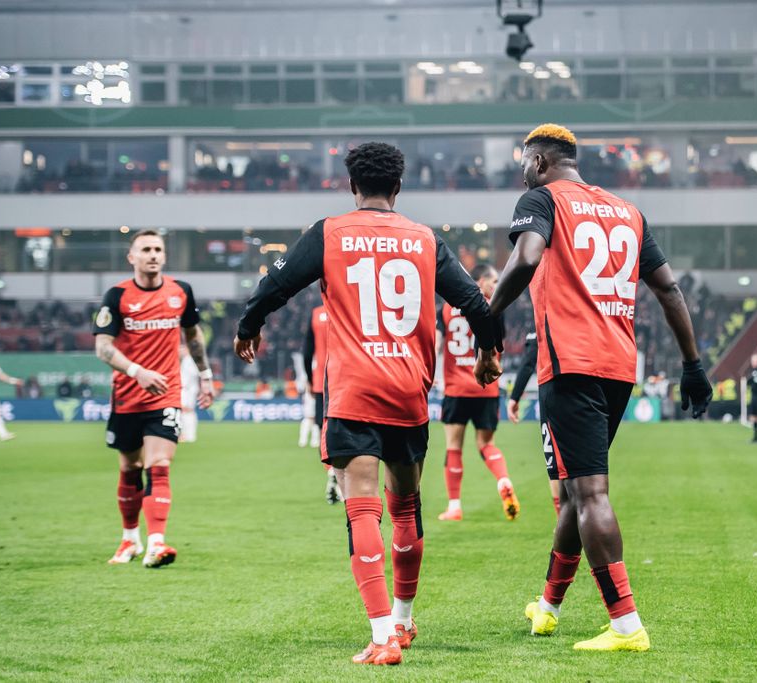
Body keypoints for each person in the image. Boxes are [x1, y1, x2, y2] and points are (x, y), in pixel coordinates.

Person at [233, 142, 501, 666]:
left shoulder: (330, 232)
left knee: (362, 506)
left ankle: (381, 637)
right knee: (406, 506)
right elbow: (475, 302)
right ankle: (401, 619)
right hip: (409, 392)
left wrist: (249, 324)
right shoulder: (426, 240)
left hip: (354, 390)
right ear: (398, 188)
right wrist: (490, 353)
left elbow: (277, 283)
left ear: (352, 185)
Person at [484, 124, 712, 652]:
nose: (522, 172)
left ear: (540, 162)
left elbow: (526, 258)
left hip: (570, 363)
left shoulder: (541, 198)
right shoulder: (627, 211)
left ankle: (626, 625)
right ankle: (547, 607)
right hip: (617, 366)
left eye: (524, 163)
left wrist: (486, 316)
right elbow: (668, 288)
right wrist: (693, 364)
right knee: (573, 489)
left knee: (588, 493)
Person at [93, 230, 216, 568]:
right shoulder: (116, 296)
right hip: (127, 396)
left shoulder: (181, 292)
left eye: (158, 249)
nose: (153, 254)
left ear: (165, 256)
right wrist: (137, 372)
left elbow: (193, 335)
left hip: (166, 395)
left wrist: (205, 376)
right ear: (131, 257)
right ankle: (130, 539)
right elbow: (102, 347)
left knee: (158, 465)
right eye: (145, 249)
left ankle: (156, 544)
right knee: (130, 467)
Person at [437, 262, 519, 522]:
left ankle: (454, 506)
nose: (496, 286)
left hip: (455, 388)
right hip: (485, 387)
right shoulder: (493, 306)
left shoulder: (447, 308)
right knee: (486, 444)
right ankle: (503, 479)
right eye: (493, 281)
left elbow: (437, 343)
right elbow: (498, 348)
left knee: (453, 447)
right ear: (479, 281)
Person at [507, 330, 561, 516]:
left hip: (555, 394)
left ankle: (563, 523)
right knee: (588, 468)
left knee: (556, 463)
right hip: (590, 393)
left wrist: (514, 397)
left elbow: (529, 362)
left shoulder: (544, 310)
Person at [300, 300, 342, 504]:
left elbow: (306, 352)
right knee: (347, 431)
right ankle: (342, 479)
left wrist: (310, 378)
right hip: (346, 380)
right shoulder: (349, 307)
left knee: (323, 431)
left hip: (321, 383)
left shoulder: (316, 314)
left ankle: (331, 471)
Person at [179, 343, 201, 443]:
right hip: (187, 390)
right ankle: (185, 434)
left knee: (187, 411)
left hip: (187, 390)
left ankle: (189, 435)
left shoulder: (189, 361)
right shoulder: (186, 361)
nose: (179, 351)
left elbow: (188, 378)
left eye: (181, 348)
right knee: (185, 411)